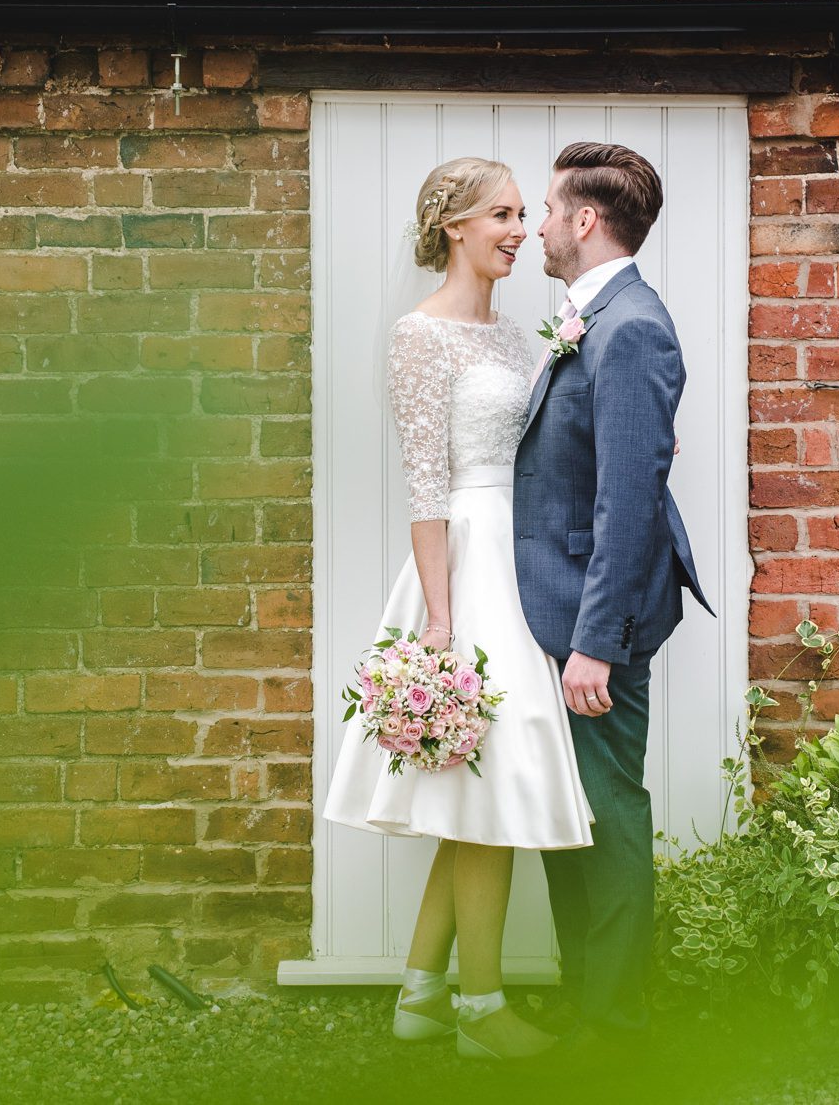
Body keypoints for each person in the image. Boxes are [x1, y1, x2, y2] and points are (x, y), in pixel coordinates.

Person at [321, 156, 593, 1063]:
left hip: (521, 557)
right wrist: (438, 621)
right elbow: (426, 485)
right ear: (454, 227)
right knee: (488, 795)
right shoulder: (419, 334)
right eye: (501, 215)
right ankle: (480, 1004)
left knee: (484, 791)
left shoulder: (521, 340)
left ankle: (421, 993)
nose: (521, 229)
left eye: (524, 213)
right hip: (463, 570)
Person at [515, 141, 712, 1050]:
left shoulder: (631, 325)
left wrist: (595, 640)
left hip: (598, 618)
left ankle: (614, 1020)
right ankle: (585, 998)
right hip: (561, 605)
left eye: (551, 210)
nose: (541, 226)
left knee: (607, 808)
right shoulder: (592, 314)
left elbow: (629, 494)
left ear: (586, 220)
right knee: (569, 811)